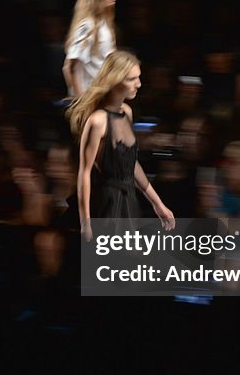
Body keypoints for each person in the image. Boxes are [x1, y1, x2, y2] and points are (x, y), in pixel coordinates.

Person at [66, 50, 175, 241]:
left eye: (138, 78)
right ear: (116, 81)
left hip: (129, 202)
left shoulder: (127, 112)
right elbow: (85, 172)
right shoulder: (98, 121)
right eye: (132, 79)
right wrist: (86, 223)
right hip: (106, 205)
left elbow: (130, 163)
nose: (139, 84)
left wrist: (158, 204)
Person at [62, 0, 118, 98]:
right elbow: (69, 67)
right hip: (90, 97)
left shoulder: (104, 23)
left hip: (103, 94)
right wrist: (80, 100)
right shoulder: (88, 26)